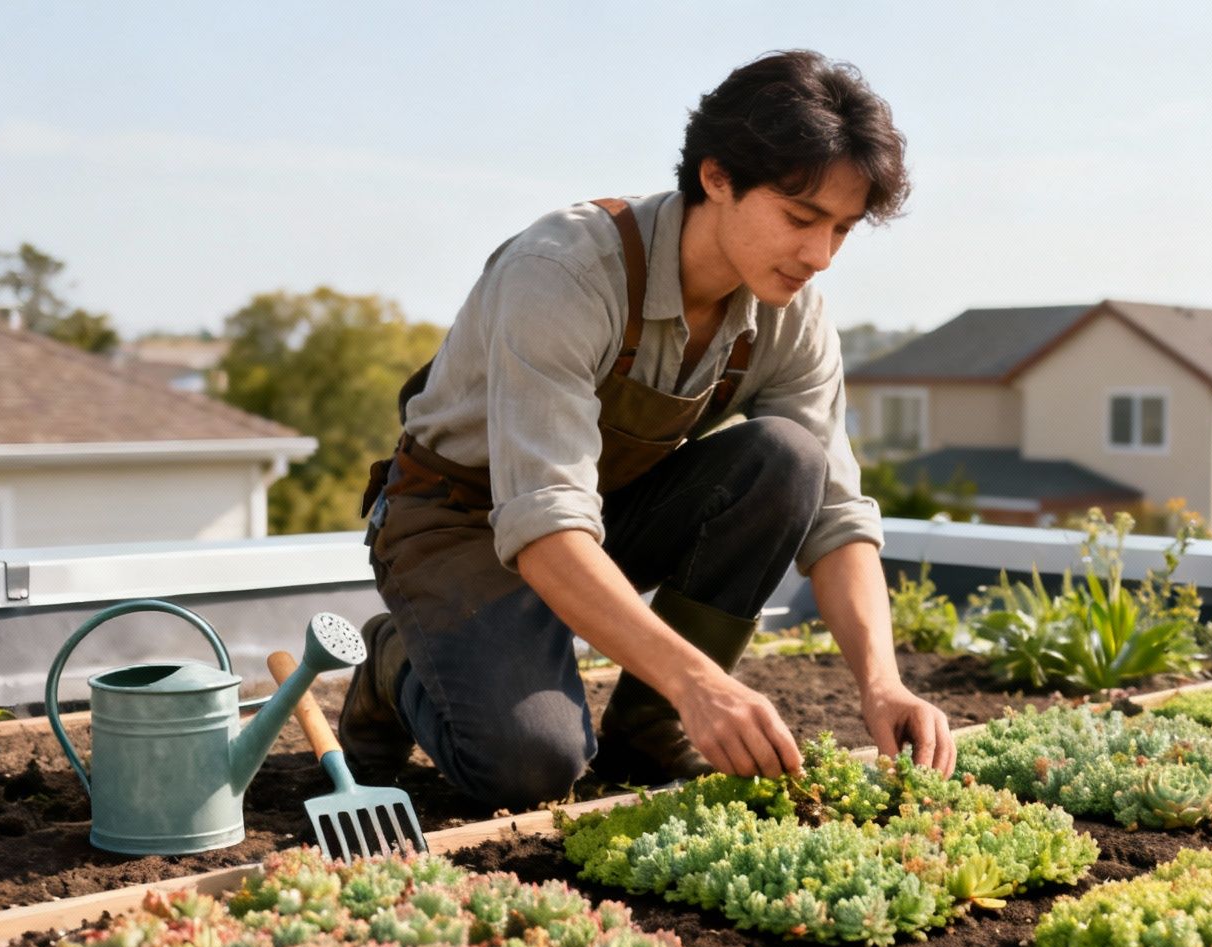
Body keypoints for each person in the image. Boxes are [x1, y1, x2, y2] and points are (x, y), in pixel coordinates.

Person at [340, 50, 956, 812]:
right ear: (717, 176)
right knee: (531, 768)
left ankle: (650, 733)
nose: (819, 256)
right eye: (800, 218)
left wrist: (882, 684)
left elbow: (834, 514)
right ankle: (397, 662)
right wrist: (703, 680)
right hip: (455, 520)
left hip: (596, 513)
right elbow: (544, 522)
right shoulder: (562, 273)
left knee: (787, 462)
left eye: (841, 229)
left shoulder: (790, 313)